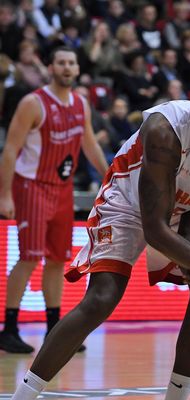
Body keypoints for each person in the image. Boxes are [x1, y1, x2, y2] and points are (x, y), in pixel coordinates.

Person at [9, 70, 190, 400]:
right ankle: (24, 395)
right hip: (130, 202)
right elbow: (156, 229)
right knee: (102, 298)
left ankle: (176, 396)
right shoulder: (164, 130)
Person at [0, 46, 108, 354]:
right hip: (31, 186)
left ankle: (54, 330)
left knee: (58, 260)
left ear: (77, 69)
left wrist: (111, 176)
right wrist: (4, 193)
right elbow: (10, 149)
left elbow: (89, 145)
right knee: (30, 257)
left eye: (71, 63)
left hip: (62, 189)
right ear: (50, 67)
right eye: (61, 62)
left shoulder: (81, 104)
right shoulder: (33, 103)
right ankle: (8, 329)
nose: (66, 67)